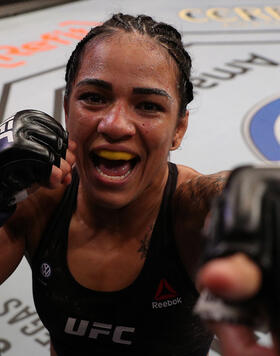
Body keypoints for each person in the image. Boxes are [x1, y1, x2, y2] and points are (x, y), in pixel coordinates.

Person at [0, 13, 278, 356]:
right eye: (94, 97)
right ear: (66, 108)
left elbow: (221, 195)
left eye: (148, 105)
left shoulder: (190, 211)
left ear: (178, 128)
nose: (116, 125)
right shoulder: (37, 200)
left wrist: (257, 201)